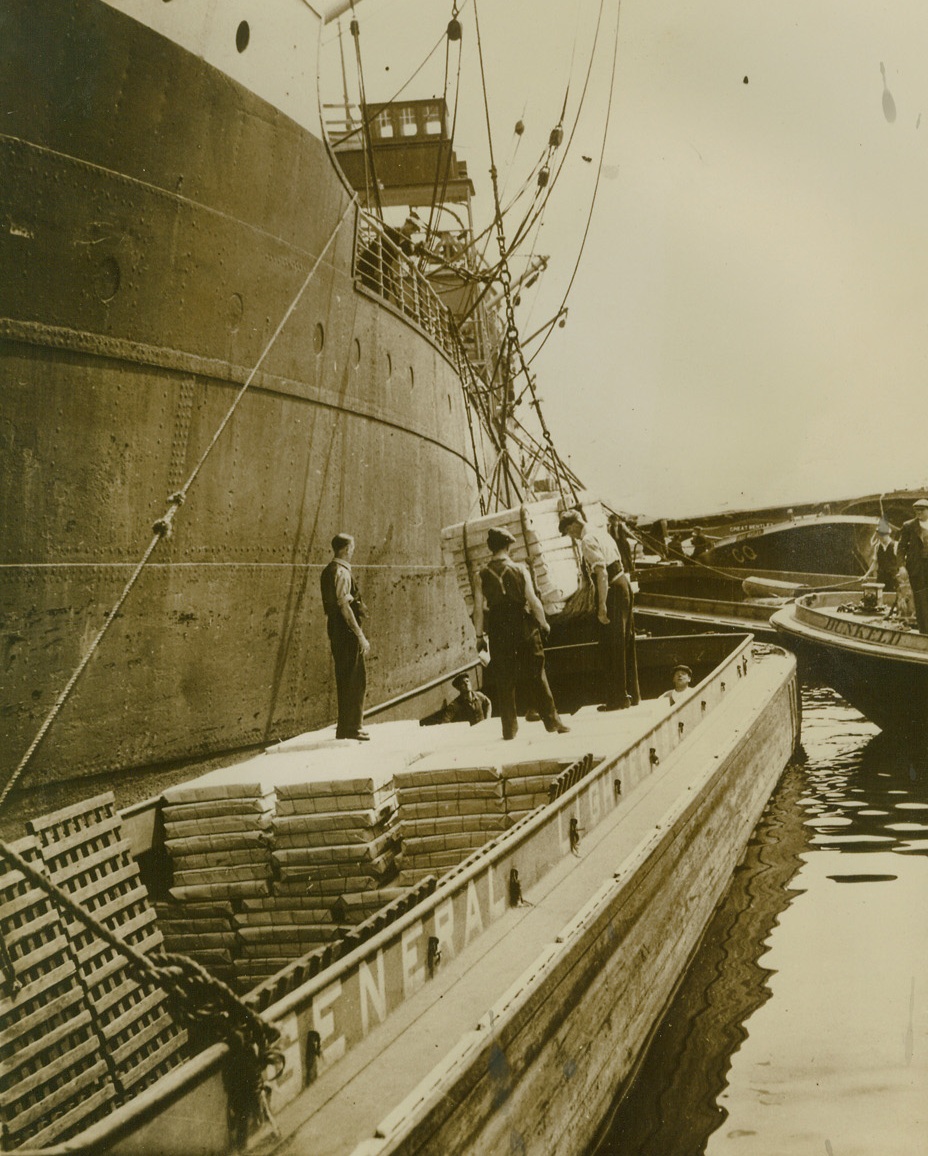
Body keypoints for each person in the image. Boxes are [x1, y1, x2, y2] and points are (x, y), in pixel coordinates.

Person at [472, 527, 569, 740]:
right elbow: (533, 601)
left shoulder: (481, 575)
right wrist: (544, 624)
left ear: (491, 548)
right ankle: (554, 722)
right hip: (522, 625)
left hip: (497, 628)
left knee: (504, 678)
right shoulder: (520, 569)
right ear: (508, 546)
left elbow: (478, 609)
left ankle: (509, 730)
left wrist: (479, 637)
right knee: (536, 672)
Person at [559, 509, 641, 711]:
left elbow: (601, 573)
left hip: (612, 590)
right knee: (626, 641)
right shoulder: (601, 532)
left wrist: (602, 605)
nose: (572, 537)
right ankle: (633, 694)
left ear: (573, 526)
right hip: (624, 585)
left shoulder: (587, 540)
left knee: (612, 646)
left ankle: (617, 699)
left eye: (569, 532)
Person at [320, 533, 370, 740]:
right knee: (356, 679)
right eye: (352, 547)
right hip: (347, 633)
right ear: (345, 549)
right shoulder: (342, 572)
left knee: (345, 679)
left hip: (336, 631)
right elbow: (345, 607)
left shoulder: (327, 571)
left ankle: (345, 728)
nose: (353, 550)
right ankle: (352, 728)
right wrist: (360, 635)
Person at [897, 498, 928, 632]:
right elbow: (901, 548)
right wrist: (902, 566)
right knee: (920, 599)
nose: (919, 513)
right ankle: (924, 632)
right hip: (917, 567)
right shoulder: (908, 526)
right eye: (917, 511)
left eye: (922, 510)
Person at [419, 672, 492, 727]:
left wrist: (488, 718)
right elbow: (445, 722)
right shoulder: (455, 705)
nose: (466, 684)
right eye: (462, 683)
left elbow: (488, 702)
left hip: (483, 730)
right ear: (458, 688)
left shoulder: (479, 695)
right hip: (470, 735)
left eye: (467, 681)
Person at [866, 520, 901, 593]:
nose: (881, 537)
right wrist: (866, 575)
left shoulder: (895, 545)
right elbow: (875, 563)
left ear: (888, 534)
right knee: (879, 599)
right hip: (881, 579)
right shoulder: (877, 547)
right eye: (880, 534)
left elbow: (902, 562)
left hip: (893, 579)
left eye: (883, 534)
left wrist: (900, 574)